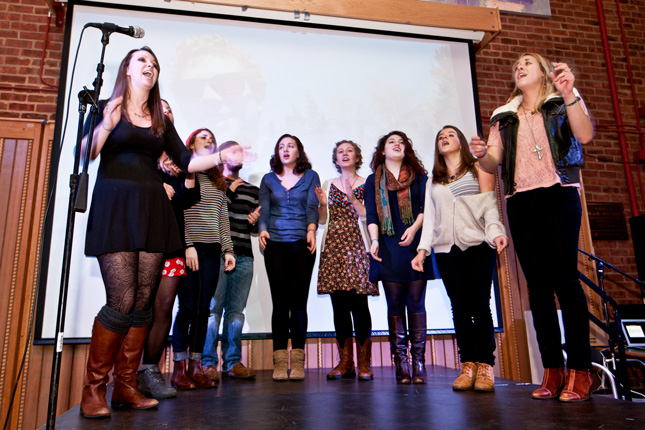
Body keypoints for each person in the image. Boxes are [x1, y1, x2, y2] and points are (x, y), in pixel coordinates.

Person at [79, 46, 224, 419]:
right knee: (122, 300)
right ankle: (94, 389)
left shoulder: (159, 116)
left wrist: (224, 156)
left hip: (152, 211)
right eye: (142, 61)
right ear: (127, 69)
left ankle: (127, 385)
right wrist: (107, 123)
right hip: (115, 206)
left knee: (144, 302)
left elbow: (188, 160)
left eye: (155, 64)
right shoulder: (106, 107)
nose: (150, 67)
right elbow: (85, 153)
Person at [469, 53, 594, 401]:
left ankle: (581, 372)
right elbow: (493, 163)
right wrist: (481, 153)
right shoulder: (504, 116)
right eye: (516, 66)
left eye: (527, 63)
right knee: (538, 287)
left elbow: (584, 136)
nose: (520, 67)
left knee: (566, 281)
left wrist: (570, 93)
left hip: (559, 193)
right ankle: (552, 371)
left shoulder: (560, 102)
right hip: (521, 200)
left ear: (542, 71)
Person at [411, 126, 508, 392]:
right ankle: (468, 364)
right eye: (440, 136)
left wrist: (496, 231)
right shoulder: (434, 181)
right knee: (460, 308)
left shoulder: (478, 170)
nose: (444, 137)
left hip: (478, 244)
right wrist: (422, 250)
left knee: (480, 305)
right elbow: (429, 220)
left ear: (461, 142)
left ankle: (486, 365)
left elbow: (490, 205)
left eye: (450, 134)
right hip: (446, 250)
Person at [137, 101, 200, 399]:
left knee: (164, 306)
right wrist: (153, 184)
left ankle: (148, 371)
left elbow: (189, 199)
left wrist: (189, 171)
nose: (164, 112)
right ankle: (127, 373)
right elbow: (125, 180)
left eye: (169, 109)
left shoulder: (178, 159)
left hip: (172, 243)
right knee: (140, 308)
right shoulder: (140, 151)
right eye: (158, 107)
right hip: (143, 242)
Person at [364, 131, 433, 384]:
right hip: (388, 245)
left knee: (416, 303)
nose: (396, 144)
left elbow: (428, 210)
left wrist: (414, 229)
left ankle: (419, 363)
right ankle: (401, 364)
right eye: (391, 142)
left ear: (407, 149)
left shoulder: (420, 178)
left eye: (401, 142)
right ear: (382, 150)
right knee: (394, 303)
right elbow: (371, 215)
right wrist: (373, 241)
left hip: (416, 243)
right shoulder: (373, 180)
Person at [171, 128, 236, 390]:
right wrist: (187, 245)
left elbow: (222, 217)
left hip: (211, 250)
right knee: (186, 307)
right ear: (191, 145)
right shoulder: (185, 173)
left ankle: (195, 367)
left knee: (202, 309)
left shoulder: (218, 179)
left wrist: (228, 250)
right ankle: (178, 369)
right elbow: (180, 212)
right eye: (203, 137)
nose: (209, 140)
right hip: (190, 248)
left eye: (212, 138)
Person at [258, 134, 320, 381]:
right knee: (280, 302)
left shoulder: (311, 176)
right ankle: (279, 360)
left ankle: (298, 362)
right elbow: (264, 207)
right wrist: (262, 228)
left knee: (299, 303)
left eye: (290, 146)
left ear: (298, 152)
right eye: (281, 147)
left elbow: (312, 207)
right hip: (275, 244)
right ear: (277, 153)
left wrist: (312, 230)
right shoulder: (268, 179)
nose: (285, 150)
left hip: (302, 243)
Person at [315, 140, 378, 381]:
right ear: (336, 158)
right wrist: (322, 205)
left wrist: (352, 198)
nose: (344, 154)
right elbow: (322, 220)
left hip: (358, 246)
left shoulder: (367, 183)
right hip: (333, 248)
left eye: (349, 150)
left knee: (360, 306)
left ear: (357, 156)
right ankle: (345, 362)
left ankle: (364, 363)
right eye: (340, 151)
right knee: (338, 306)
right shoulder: (328, 184)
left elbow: (367, 214)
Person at [202, 140, 260, 381]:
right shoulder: (210, 184)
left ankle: (232, 362)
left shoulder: (253, 190)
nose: (239, 155)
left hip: (244, 254)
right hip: (217, 254)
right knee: (212, 311)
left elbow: (254, 230)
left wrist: (256, 222)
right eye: (233, 150)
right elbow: (210, 215)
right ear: (221, 156)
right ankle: (207, 363)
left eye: (241, 151)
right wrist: (230, 191)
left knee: (236, 312)